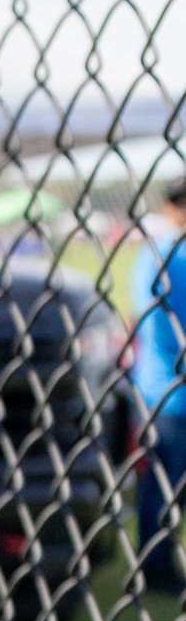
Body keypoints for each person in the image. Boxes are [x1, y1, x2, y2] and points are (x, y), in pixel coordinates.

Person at [129, 173, 186, 591]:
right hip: (167, 392)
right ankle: (155, 567)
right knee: (163, 482)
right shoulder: (166, 258)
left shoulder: (160, 255)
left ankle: (159, 563)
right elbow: (163, 331)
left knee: (168, 483)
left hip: (162, 387)